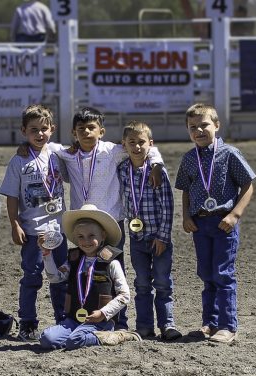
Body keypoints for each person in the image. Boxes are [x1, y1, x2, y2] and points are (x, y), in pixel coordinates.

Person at [18, 106, 164, 330]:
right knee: (83, 272)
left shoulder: (113, 151)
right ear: (74, 133)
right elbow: (42, 144)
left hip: (111, 223)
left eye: (91, 128)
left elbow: (143, 146)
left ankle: (119, 322)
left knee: (114, 271)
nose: (86, 132)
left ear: (101, 131)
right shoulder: (65, 153)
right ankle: (81, 315)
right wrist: (25, 147)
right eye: (81, 129)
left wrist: (156, 164)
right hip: (83, 225)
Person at [175, 103, 256, 344]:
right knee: (206, 274)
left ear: (217, 126)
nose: (199, 130)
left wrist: (235, 215)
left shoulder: (230, 153)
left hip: (224, 224)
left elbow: (248, 185)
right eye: (193, 127)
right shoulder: (189, 158)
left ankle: (228, 326)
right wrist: (187, 216)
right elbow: (186, 190)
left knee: (223, 274)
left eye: (204, 125)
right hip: (200, 225)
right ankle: (209, 324)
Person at [0, 104, 67, 341]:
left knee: (60, 277)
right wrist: (14, 223)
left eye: (44, 129)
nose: (39, 134)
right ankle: (27, 324)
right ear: (24, 131)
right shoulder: (19, 161)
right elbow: (12, 196)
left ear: (53, 129)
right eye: (33, 130)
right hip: (32, 232)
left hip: (59, 230)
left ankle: (63, 321)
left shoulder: (59, 153)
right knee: (32, 278)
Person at [38, 204, 141, 349]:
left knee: (75, 340)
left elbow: (125, 295)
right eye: (81, 236)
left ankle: (117, 335)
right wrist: (46, 254)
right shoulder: (73, 259)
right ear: (75, 237)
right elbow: (55, 278)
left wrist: (103, 313)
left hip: (100, 321)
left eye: (91, 236)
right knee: (46, 338)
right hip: (74, 320)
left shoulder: (112, 263)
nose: (86, 241)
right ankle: (77, 337)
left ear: (103, 235)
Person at [118, 121, 182, 341]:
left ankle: (167, 325)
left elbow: (168, 205)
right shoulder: (121, 170)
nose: (136, 147)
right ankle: (144, 326)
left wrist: (163, 236)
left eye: (141, 142)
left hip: (158, 238)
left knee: (163, 283)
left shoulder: (157, 172)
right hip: (137, 239)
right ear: (123, 144)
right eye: (132, 142)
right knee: (142, 283)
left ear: (150, 144)